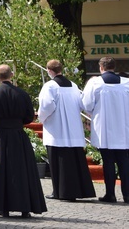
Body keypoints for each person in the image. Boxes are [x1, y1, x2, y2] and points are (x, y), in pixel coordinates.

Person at [0, 64, 47, 218]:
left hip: (1, 136)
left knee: (2, 170)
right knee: (23, 170)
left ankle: (3, 208)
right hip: (18, 135)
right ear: (11, 75)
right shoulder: (22, 94)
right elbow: (29, 116)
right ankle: (25, 208)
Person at [37, 59, 95, 201]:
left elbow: (47, 106)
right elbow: (82, 104)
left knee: (59, 163)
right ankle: (80, 190)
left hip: (57, 131)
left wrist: (41, 118)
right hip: (73, 130)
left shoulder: (49, 86)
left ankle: (60, 192)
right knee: (75, 161)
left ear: (49, 71)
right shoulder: (73, 86)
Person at [82, 56, 129, 203]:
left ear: (101, 67)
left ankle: (110, 194)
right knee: (124, 162)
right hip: (123, 128)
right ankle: (127, 195)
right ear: (114, 67)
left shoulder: (95, 83)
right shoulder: (126, 83)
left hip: (105, 128)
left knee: (107, 161)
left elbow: (86, 105)